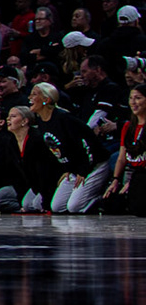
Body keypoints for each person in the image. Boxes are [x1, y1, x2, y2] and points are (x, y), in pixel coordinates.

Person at [28, 81, 111, 213]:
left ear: (46, 99)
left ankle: (102, 199)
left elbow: (87, 143)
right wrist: (67, 169)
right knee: (57, 207)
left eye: (34, 94)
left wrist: (84, 170)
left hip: (93, 164)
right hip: (75, 168)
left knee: (74, 207)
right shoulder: (41, 121)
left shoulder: (64, 118)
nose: (29, 98)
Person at [102, 85, 146, 217]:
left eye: (138, 98)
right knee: (110, 204)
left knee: (139, 208)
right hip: (131, 171)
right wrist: (116, 179)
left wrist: (131, 183)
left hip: (144, 173)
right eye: (131, 98)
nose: (133, 102)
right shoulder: (128, 126)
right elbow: (122, 157)